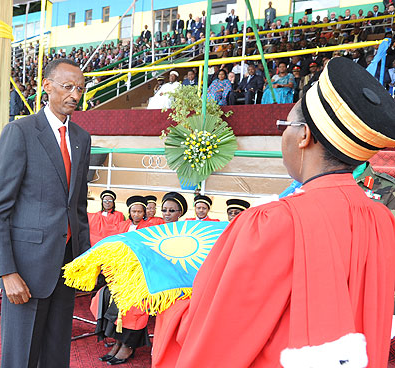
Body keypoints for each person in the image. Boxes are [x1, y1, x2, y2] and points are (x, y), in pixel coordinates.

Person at [152, 57, 395, 367]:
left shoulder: (274, 222)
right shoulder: (380, 219)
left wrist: (167, 307)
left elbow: (215, 337)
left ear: (304, 135)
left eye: (286, 125)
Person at [0, 58, 92, 368]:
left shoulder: (82, 138)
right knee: (21, 358)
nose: (75, 95)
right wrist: (6, 272)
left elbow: (78, 207)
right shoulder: (20, 131)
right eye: (68, 87)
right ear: (47, 87)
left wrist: (84, 261)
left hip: (67, 267)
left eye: (80, 89)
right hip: (25, 271)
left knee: (56, 356)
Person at [92, 195, 152, 365]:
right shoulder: (122, 225)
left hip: (139, 273)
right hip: (121, 272)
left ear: (144, 212)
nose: (137, 214)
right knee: (109, 299)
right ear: (129, 212)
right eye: (134, 211)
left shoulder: (149, 227)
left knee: (132, 308)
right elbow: (113, 245)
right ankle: (117, 342)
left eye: (140, 211)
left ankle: (128, 345)